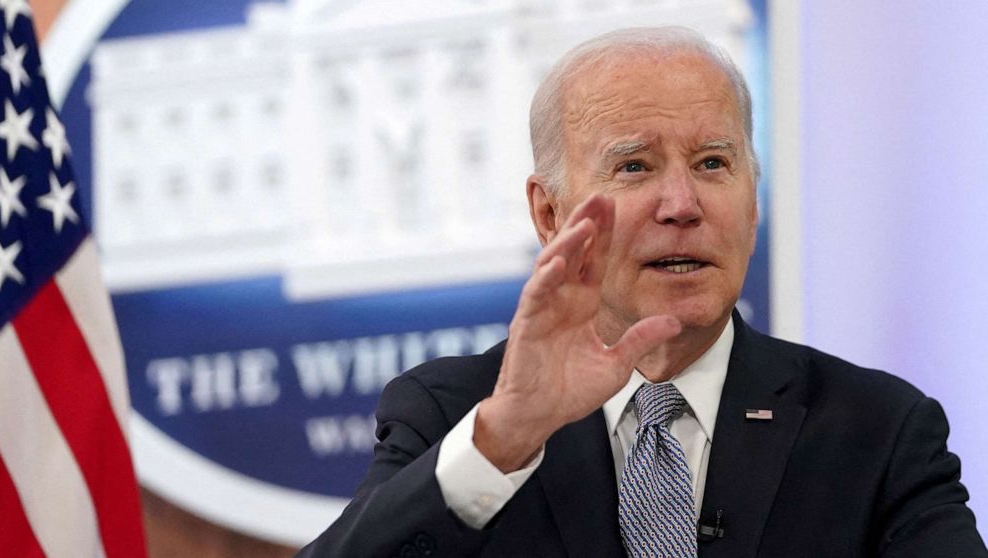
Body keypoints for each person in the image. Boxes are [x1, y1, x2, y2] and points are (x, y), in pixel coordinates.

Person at [298, 26, 987, 557]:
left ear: (752, 202)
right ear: (549, 214)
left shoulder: (877, 429)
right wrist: (500, 445)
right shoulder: (451, 415)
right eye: (635, 165)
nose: (682, 204)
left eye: (713, 163)